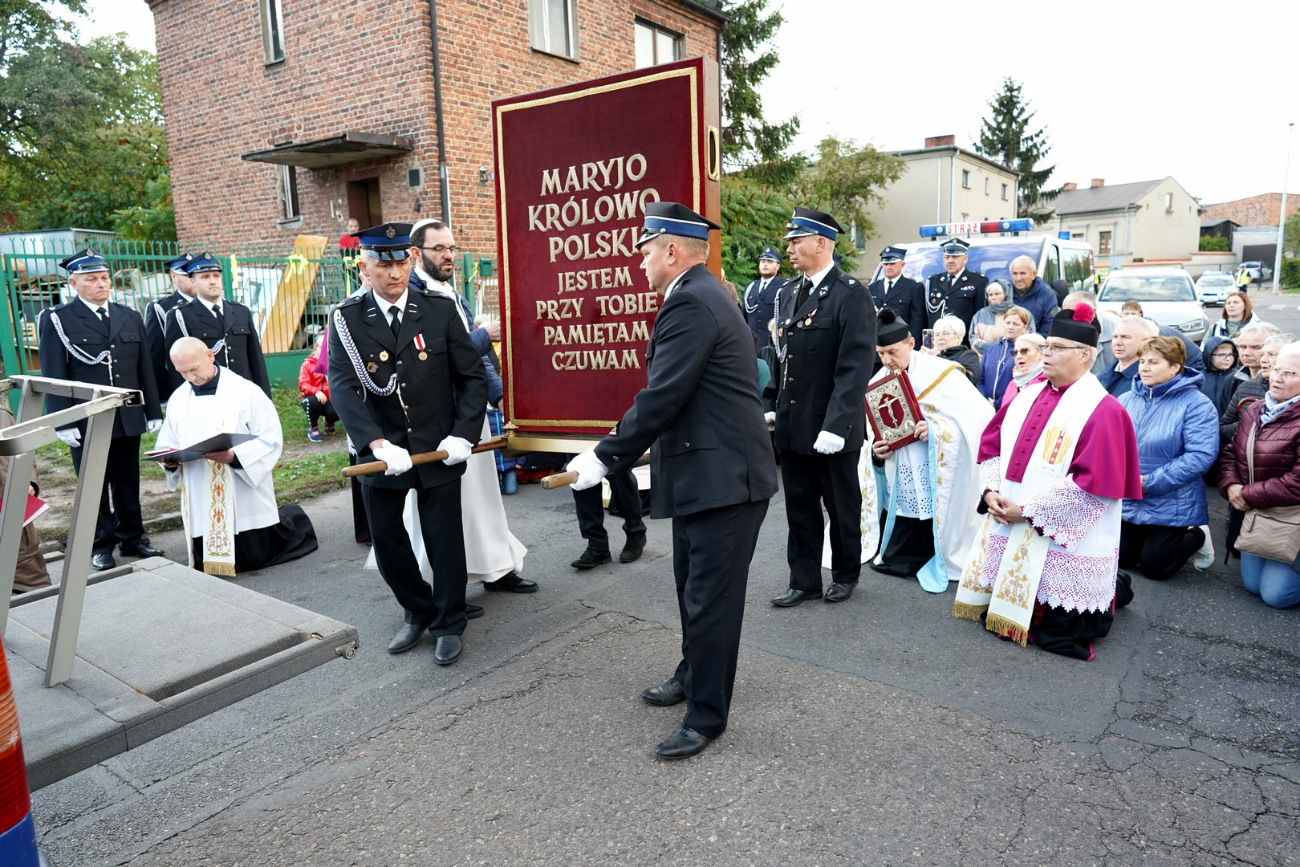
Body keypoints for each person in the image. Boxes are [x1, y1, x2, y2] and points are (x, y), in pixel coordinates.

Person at [565, 202, 777, 760]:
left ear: (672, 250)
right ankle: (692, 672)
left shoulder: (691, 302)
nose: (639, 263)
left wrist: (604, 458)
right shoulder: (697, 296)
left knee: (712, 598)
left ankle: (706, 716)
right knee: (692, 590)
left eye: (645, 251)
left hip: (725, 480)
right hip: (706, 474)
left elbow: (662, 396)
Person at [327, 222, 488, 666]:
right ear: (365, 267)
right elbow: (341, 386)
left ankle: (450, 622)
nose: (394, 273)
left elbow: (471, 378)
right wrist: (375, 443)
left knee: (444, 540)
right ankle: (418, 609)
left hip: (437, 444)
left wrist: (463, 434)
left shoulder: (437, 309)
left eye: (401, 262)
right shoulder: (347, 317)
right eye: (383, 264)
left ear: (411, 260)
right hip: (384, 453)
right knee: (389, 543)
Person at [954, 303, 1142, 660]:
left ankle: (1113, 590)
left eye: (1056, 348)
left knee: (1060, 619)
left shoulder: (1104, 411)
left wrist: (1027, 511)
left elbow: (1093, 486)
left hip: (1059, 531)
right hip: (1010, 515)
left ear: (1085, 355)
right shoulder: (1026, 396)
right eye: (1047, 346)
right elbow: (992, 448)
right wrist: (991, 490)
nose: (1046, 354)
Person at [395, 218, 533, 594]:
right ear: (415, 253)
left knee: (484, 498)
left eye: (452, 248)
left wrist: (501, 397)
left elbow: (477, 363)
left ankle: (497, 569)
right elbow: (430, 359)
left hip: (473, 415)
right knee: (446, 509)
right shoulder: (411, 296)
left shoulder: (455, 295)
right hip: (438, 421)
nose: (448, 255)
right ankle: (446, 584)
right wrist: (481, 336)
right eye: (438, 248)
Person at [765, 207, 876, 607]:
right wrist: (773, 402)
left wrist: (836, 425)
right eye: (790, 241)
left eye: (797, 241)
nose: (789, 248)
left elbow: (854, 368)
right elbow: (785, 356)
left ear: (821, 243)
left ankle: (846, 573)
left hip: (832, 427)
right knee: (799, 507)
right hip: (796, 422)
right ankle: (804, 579)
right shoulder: (790, 292)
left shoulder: (852, 295)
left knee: (841, 506)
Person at [38, 248, 165, 571]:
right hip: (86, 417)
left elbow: (143, 369)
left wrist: (151, 410)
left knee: (127, 479)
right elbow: (54, 372)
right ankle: (101, 543)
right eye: (92, 279)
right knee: (93, 482)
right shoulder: (59, 319)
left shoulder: (128, 315)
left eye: (104, 278)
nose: (101, 284)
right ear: (74, 283)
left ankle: (133, 538)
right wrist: (62, 419)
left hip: (125, 414)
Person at [158, 338, 317, 575]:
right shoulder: (178, 399)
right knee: (207, 565)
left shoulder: (245, 391)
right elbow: (168, 441)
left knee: (251, 559)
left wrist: (235, 456)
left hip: (241, 490)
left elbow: (270, 437)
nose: (190, 377)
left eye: (194, 369)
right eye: (182, 372)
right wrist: (169, 462)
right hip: (199, 484)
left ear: (210, 356)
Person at [861, 308, 992, 589]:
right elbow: (874, 432)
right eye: (881, 353)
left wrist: (935, 430)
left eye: (893, 352)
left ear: (910, 343)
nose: (887, 361)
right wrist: (877, 451)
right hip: (901, 465)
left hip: (937, 462)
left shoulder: (944, 374)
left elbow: (979, 419)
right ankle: (903, 552)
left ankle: (938, 552)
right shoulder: (877, 383)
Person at [1116, 336, 1219, 581]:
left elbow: (1200, 455)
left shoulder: (1197, 405)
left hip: (1172, 499)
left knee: (1155, 569)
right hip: (1130, 494)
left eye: (1154, 362)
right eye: (1142, 361)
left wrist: (1149, 482)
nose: (1144, 367)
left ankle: (1197, 535)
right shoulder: (1126, 399)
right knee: (1124, 560)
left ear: (1174, 367)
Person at [1219, 341, 1300, 608]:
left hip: (1292, 520)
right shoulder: (1256, 410)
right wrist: (1231, 485)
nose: (1277, 377)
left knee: (1276, 596)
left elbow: (1297, 483)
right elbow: (1231, 452)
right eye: (1277, 369)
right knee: (1254, 586)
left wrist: (1246, 494)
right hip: (1258, 514)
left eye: (1290, 373)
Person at [164, 253, 271, 398]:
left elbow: (256, 360)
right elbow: (178, 366)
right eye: (205, 277)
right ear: (193, 281)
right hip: (208, 395)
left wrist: (264, 397)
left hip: (243, 392)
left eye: (216, 276)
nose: (212, 281)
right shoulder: (180, 316)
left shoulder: (241, 311)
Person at [1, 403, 51, 594]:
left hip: (9, 508)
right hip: (9, 517)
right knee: (28, 585)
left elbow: (17, 454)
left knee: (27, 579)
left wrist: (26, 483)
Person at [143, 252, 195, 398]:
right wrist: (169, 394)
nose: (192, 279)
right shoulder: (161, 308)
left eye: (196, 274)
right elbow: (155, 359)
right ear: (174, 276)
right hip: (183, 389)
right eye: (187, 275)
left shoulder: (214, 306)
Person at [1221, 327, 1285, 444]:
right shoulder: (1231, 380)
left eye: (1256, 347)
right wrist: (1248, 423)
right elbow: (1222, 428)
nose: (1246, 353)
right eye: (1242, 347)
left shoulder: (1290, 386)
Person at [924, 237, 987, 338]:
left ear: (965, 259)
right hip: (937, 342)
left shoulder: (978, 281)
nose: (950, 261)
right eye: (947, 257)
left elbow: (980, 318)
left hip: (962, 343)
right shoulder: (933, 281)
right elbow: (925, 317)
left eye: (955, 257)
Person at [868, 246, 925, 344]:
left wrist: (912, 347)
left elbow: (917, 323)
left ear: (902, 265)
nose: (888, 267)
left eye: (892, 264)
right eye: (885, 264)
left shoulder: (914, 288)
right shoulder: (872, 288)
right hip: (877, 346)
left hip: (901, 344)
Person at [976, 306, 1031, 408]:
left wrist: (998, 403)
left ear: (1024, 327)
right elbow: (980, 379)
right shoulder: (990, 350)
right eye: (1007, 323)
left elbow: (1023, 384)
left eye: (1016, 324)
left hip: (1010, 408)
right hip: (986, 406)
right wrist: (984, 401)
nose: (1010, 327)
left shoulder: (1026, 352)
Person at [1097, 315, 1158, 397]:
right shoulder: (1105, 374)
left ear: (1144, 341)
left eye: (1125, 337)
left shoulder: (1146, 380)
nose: (1118, 342)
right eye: (1115, 337)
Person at [1063, 291, 1120, 375]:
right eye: (1065, 313)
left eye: (1074, 313)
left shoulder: (1115, 326)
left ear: (1093, 311)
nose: (1069, 318)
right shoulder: (1063, 328)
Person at [741, 247, 787, 349]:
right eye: (763, 261)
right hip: (751, 345)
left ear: (778, 266)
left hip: (772, 344)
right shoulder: (750, 287)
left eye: (770, 262)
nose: (765, 264)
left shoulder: (784, 287)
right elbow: (743, 318)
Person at [298, 335, 337, 442]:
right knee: (312, 401)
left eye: (327, 347)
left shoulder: (334, 363)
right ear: (315, 347)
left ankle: (329, 421)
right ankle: (313, 428)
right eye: (322, 347)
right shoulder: (307, 364)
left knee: (342, 404)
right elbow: (302, 383)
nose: (325, 350)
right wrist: (316, 392)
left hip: (330, 399)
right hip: (314, 399)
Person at [1007, 255, 1057, 334]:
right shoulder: (1004, 293)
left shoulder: (1047, 294)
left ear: (1034, 274)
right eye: (1015, 274)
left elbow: (1049, 325)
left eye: (1022, 273)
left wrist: (1029, 341)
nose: (1018, 278)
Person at [924, 315, 979, 384]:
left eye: (945, 334)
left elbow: (966, 380)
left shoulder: (969, 355)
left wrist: (938, 357)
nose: (940, 338)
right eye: (937, 335)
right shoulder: (931, 356)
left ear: (958, 338)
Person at [970, 279, 1018, 352]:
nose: (993, 297)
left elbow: (1026, 339)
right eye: (990, 295)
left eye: (997, 294)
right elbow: (973, 339)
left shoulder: (1020, 313)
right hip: (983, 359)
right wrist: (991, 349)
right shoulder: (980, 314)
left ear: (1006, 294)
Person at [999, 333, 1047, 406]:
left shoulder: (1049, 382)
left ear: (1041, 353)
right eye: (1015, 353)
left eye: (1024, 351)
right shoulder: (1013, 384)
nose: (1018, 357)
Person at [1200, 336, 1243, 417]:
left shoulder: (1238, 377)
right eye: (1222, 355)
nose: (1228, 359)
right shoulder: (1199, 378)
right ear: (1209, 356)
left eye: (1230, 354)